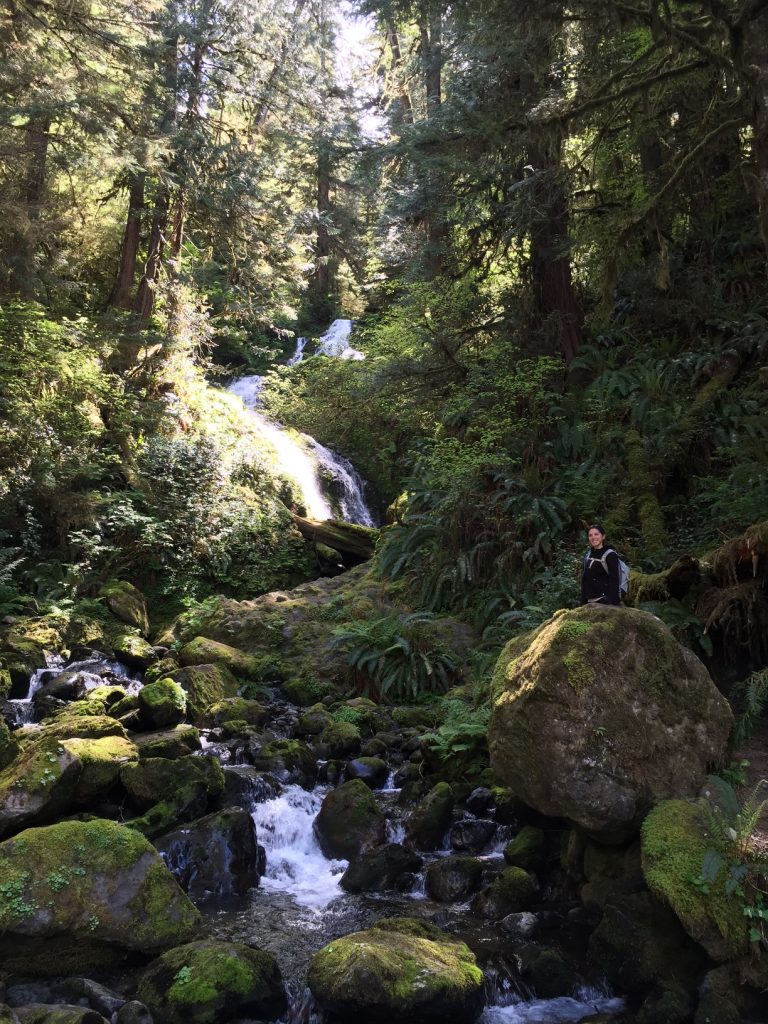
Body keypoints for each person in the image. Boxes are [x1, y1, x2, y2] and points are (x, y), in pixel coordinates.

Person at [581, 523, 621, 606]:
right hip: (589, 601)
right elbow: (584, 580)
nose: (593, 537)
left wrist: (610, 603)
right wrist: (583, 602)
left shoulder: (610, 555)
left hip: (604, 601)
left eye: (596, 534)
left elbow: (614, 580)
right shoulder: (588, 555)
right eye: (590, 535)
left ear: (603, 536)